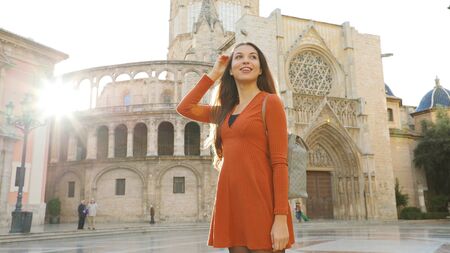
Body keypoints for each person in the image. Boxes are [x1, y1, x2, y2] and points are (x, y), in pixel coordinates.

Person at [177, 42, 294, 253]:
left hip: (261, 202)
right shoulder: (224, 111)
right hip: (231, 202)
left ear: (260, 69)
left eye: (253, 57)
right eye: (238, 57)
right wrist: (213, 74)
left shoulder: (271, 102)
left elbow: (280, 163)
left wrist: (281, 218)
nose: (246, 60)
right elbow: (185, 108)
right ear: (231, 69)